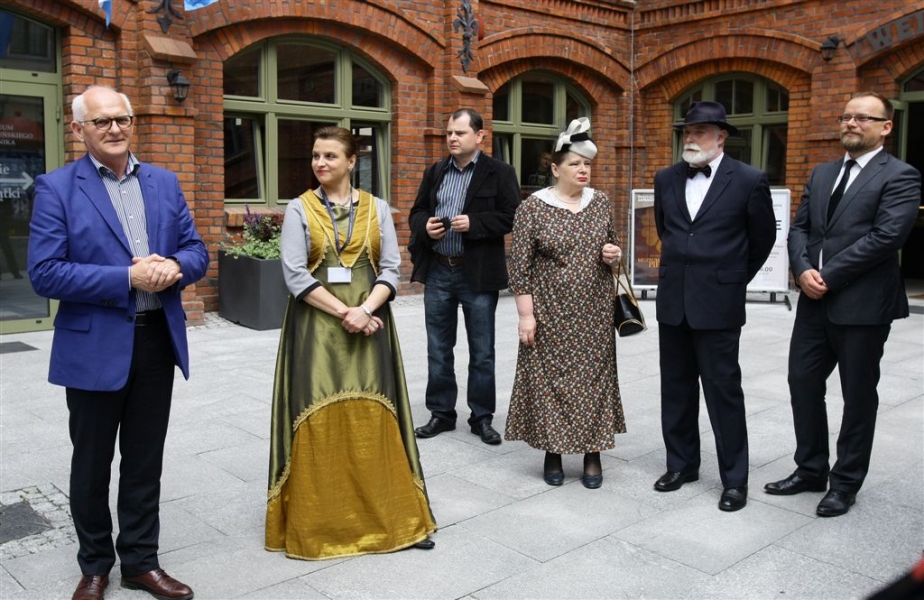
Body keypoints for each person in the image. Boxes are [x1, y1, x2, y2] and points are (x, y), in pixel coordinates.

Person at [28, 86, 208, 600]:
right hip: (93, 346)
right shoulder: (57, 188)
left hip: (155, 342)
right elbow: (45, 273)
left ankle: (141, 562)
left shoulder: (163, 182)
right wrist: (127, 278)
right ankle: (94, 566)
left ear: (133, 123)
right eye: (101, 121)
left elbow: (196, 250)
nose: (114, 128)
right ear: (79, 128)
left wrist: (174, 266)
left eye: (122, 119)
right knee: (91, 464)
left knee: (144, 460)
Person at [265, 126, 436, 560]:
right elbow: (295, 276)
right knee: (318, 414)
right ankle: (320, 523)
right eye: (315, 156)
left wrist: (367, 309)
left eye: (330, 156)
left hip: (371, 324)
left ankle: (394, 516)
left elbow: (392, 268)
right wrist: (348, 313)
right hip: (317, 328)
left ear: (351, 162)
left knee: (376, 414)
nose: (320, 163)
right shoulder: (299, 208)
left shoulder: (377, 208)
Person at [765, 92, 920, 517]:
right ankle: (810, 469)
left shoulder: (901, 176)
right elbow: (799, 228)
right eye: (846, 117)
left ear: (886, 127)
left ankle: (845, 482)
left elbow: (887, 237)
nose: (851, 123)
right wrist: (801, 270)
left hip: (863, 305)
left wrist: (827, 275)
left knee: (858, 395)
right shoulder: (823, 173)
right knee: (803, 383)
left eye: (863, 118)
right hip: (813, 303)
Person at [652, 100, 776, 512]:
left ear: (721, 137)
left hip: (719, 303)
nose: (691, 138)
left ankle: (735, 480)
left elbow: (762, 240)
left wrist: (730, 279)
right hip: (674, 301)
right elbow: (666, 230)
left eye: (700, 131)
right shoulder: (666, 178)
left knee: (724, 392)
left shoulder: (749, 180)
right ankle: (681, 465)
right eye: (687, 131)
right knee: (676, 390)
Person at [504, 118, 626, 489]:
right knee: (549, 383)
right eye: (574, 163)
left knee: (593, 382)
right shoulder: (533, 208)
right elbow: (519, 267)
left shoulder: (600, 203)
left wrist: (613, 255)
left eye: (586, 163)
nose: (583, 169)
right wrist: (526, 316)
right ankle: (552, 452)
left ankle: (593, 453)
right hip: (549, 313)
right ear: (555, 169)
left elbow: (613, 250)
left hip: (594, 313)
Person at [408, 108, 521, 445]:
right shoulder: (436, 171)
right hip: (439, 268)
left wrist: (475, 223)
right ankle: (441, 413)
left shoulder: (500, 172)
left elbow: (512, 217)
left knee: (482, 350)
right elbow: (417, 212)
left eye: (460, 133)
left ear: (479, 136)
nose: (453, 138)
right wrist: (425, 226)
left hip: (478, 273)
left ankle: (481, 417)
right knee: (438, 347)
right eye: (449, 133)